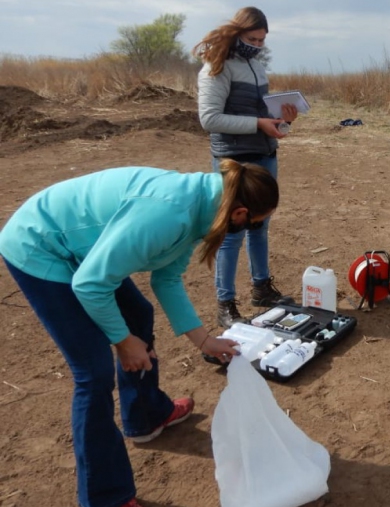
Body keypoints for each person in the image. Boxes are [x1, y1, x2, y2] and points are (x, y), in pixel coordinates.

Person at [0, 161, 279, 507]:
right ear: (239, 212)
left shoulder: (201, 209)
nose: (250, 229)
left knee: (138, 313)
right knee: (93, 373)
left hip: (82, 250)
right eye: (253, 223)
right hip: (39, 245)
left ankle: (146, 417)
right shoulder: (169, 213)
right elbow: (89, 284)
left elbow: (167, 278)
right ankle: (105, 497)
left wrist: (205, 341)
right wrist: (123, 341)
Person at [193, 6, 296, 327]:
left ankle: (261, 289)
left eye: (263, 40)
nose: (257, 45)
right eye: (252, 38)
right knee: (231, 231)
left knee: (260, 225)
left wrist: (284, 122)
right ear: (236, 32)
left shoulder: (257, 66)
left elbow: (267, 120)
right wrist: (258, 124)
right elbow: (209, 119)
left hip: (265, 153)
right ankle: (226, 304)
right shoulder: (217, 66)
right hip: (233, 159)